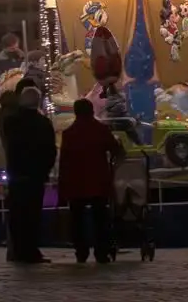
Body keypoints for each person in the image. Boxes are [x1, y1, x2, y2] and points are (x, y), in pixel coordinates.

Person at [58, 98, 123, 264]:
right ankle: (101, 252)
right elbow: (115, 149)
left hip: (76, 183)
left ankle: (81, 251)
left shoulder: (68, 133)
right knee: (100, 218)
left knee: (77, 220)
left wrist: (62, 188)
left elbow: (64, 162)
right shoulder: (101, 129)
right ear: (92, 110)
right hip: (98, 181)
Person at [3, 86, 57, 264]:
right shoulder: (43, 123)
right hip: (35, 177)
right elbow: (50, 151)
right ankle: (31, 250)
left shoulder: (11, 122)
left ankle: (17, 250)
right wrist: (45, 170)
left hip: (16, 175)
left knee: (16, 215)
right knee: (32, 215)